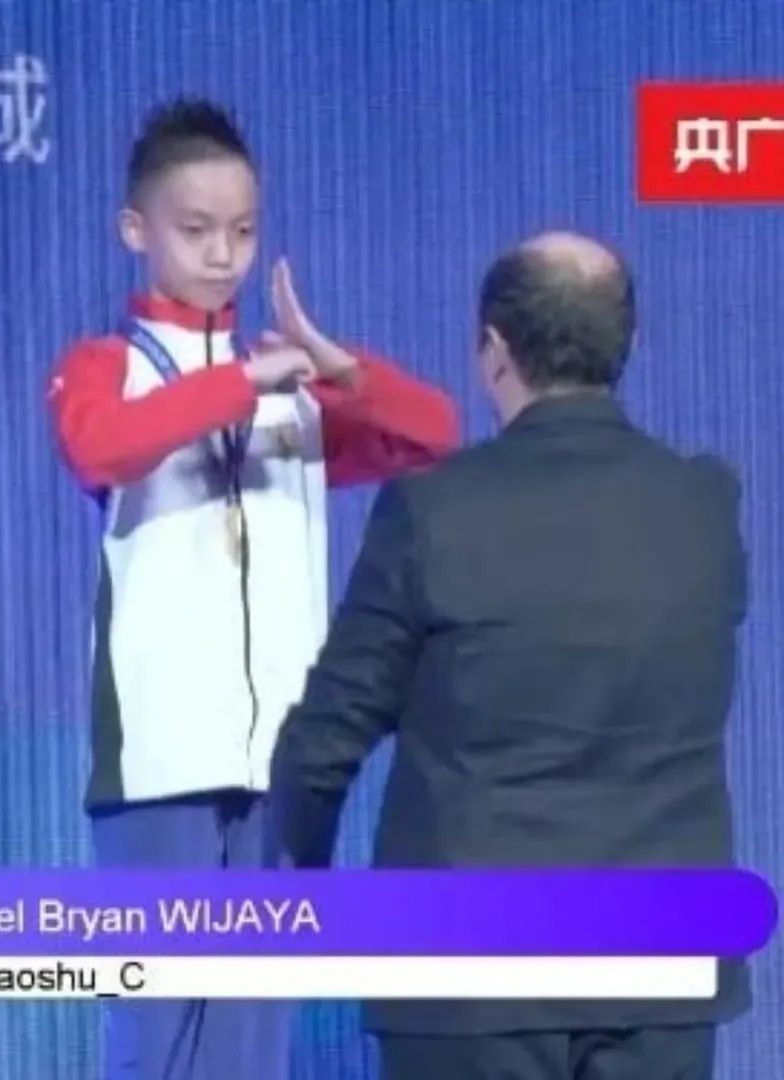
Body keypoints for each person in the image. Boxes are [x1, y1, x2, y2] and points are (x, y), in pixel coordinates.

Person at [270, 231, 750, 1080]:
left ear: (492, 349)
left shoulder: (433, 513)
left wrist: (293, 888)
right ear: (631, 343)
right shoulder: (704, 507)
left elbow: (325, 740)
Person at [46, 98, 459, 1080]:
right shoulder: (106, 368)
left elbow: (433, 435)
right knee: (156, 1039)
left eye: (241, 231)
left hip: (282, 763)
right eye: (195, 230)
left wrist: (337, 366)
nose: (222, 254)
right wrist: (244, 383)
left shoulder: (295, 391)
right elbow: (101, 447)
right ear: (136, 230)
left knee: (252, 1043)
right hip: (158, 764)